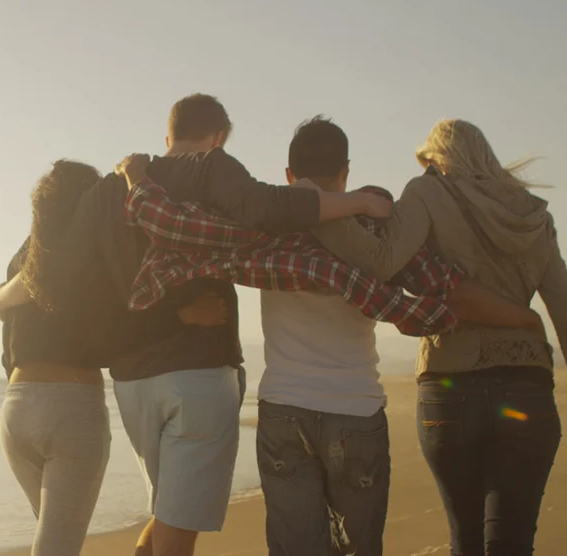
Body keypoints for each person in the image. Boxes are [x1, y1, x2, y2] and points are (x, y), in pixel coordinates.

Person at [111, 118, 546, 556]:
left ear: (287, 175)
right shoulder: (377, 227)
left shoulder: (268, 226)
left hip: (284, 412)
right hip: (355, 411)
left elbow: (177, 226)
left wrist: (139, 177)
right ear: (347, 170)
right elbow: (449, 289)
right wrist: (521, 318)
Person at [32, 94, 394, 556]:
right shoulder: (211, 167)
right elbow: (267, 208)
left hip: (130, 384)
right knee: (176, 535)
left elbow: (75, 284)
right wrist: (359, 200)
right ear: (218, 137)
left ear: (168, 137)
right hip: (197, 375)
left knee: (167, 518)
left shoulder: (107, 189)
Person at [310, 119, 565, 556]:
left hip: (451, 389)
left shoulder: (428, 191)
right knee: (513, 543)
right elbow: (562, 308)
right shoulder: (532, 213)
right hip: (527, 390)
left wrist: (315, 210)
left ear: (435, 157)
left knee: (465, 539)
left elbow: (385, 260)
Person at [0, 160, 228, 556]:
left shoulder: (25, 259)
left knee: (50, 541)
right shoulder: (92, 256)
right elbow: (115, 334)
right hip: (70, 410)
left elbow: (8, 345)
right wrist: (182, 316)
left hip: (15, 411)